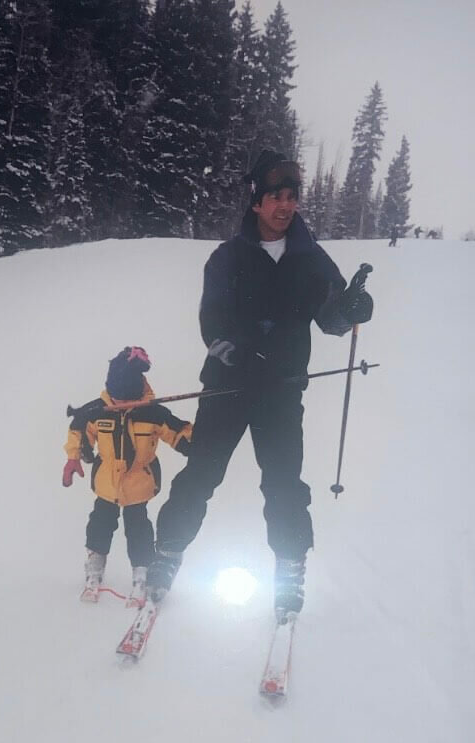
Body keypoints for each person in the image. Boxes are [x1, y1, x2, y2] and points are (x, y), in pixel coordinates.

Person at [145, 151, 374, 623]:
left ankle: (290, 568)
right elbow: (213, 320)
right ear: (255, 202)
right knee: (201, 475)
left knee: (284, 483)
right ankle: (166, 553)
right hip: (227, 388)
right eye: (275, 198)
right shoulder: (227, 258)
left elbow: (331, 319)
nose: (285, 206)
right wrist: (231, 350)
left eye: (291, 197)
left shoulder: (312, 260)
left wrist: (351, 309)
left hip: (282, 391)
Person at [63, 346, 192, 607]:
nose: (120, 404)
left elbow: (178, 433)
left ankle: (141, 569)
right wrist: (74, 456)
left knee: (138, 527)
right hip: (106, 480)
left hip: (138, 482)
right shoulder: (98, 411)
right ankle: (95, 560)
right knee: (100, 521)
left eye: (125, 400)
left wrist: (197, 444)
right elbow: (78, 428)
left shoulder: (153, 413)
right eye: (116, 399)